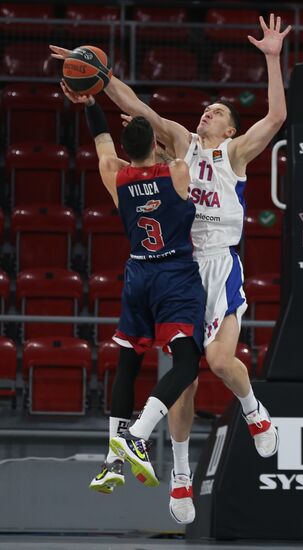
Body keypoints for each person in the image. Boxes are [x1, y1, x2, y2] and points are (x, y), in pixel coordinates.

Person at [51, 12, 290, 524]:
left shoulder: (236, 154)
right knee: (184, 379)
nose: (207, 113)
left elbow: (274, 119)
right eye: (206, 108)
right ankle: (180, 475)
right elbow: (135, 106)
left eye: (217, 110)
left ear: (230, 126)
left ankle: (254, 413)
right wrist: (95, 73)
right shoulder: (180, 141)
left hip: (219, 262)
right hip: (180, 266)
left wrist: (272, 58)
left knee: (221, 363)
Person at [61, 82, 206, 522]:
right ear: (156, 149)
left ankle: (113, 459)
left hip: (137, 274)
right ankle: (138, 436)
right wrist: (158, 143)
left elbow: (104, 148)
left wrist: (90, 108)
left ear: (127, 150)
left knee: (127, 365)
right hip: (174, 275)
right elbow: (174, 147)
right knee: (185, 363)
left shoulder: (115, 176)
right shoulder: (177, 171)